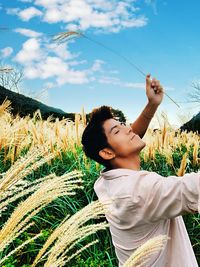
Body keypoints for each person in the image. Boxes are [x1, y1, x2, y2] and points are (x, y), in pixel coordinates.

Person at [81, 74, 199, 267]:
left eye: (123, 124)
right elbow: (193, 188)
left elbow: (129, 137)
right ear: (107, 152)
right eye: (117, 131)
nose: (129, 129)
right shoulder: (139, 192)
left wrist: (151, 105)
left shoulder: (106, 183)